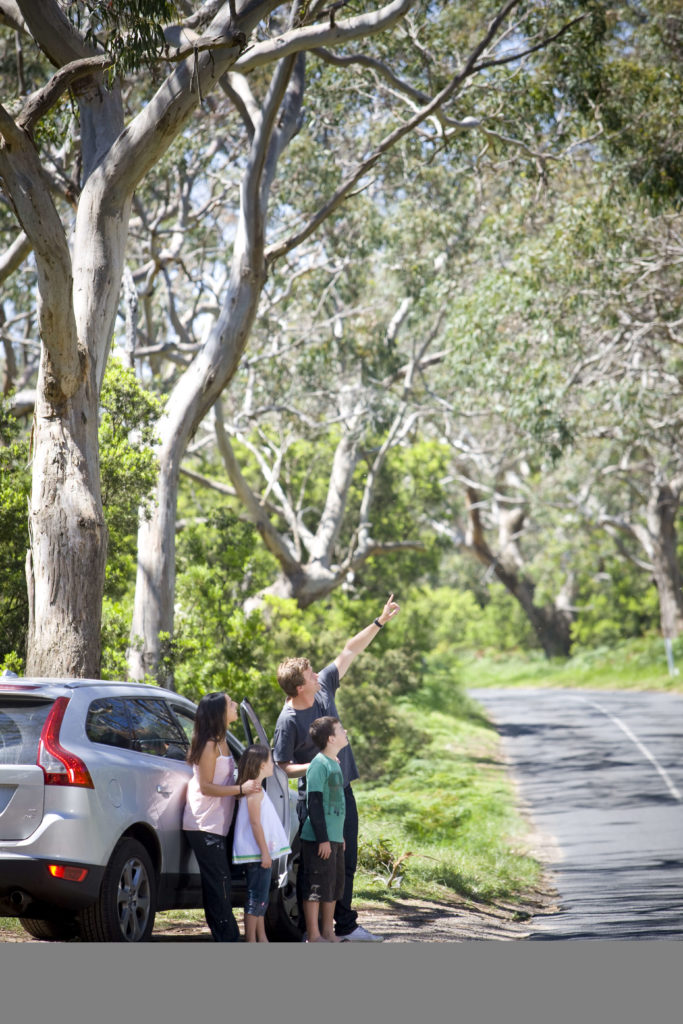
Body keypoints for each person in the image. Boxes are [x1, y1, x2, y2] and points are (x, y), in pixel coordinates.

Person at [272, 592, 400, 941]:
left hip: (343, 793)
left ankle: (343, 926)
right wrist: (317, 766)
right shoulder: (288, 720)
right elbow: (281, 766)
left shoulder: (324, 688)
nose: (317, 674)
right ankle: (311, 932)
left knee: (346, 860)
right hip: (314, 799)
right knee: (316, 866)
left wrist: (380, 621)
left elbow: (349, 650)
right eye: (310, 674)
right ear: (300, 687)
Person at [182, 691, 261, 942]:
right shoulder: (209, 745)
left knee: (221, 881)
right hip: (203, 824)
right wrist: (241, 789)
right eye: (230, 703)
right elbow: (206, 787)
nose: (235, 705)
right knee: (220, 883)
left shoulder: (223, 741)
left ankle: (225, 936)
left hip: (218, 825)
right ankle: (227, 938)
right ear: (219, 713)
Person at [232, 743, 292, 943]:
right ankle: (251, 939)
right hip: (257, 854)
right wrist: (265, 852)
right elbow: (255, 823)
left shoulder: (257, 789)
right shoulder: (254, 791)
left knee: (261, 898)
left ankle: (261, 936)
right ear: (260, 765)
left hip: (260, 854)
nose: (273, 764)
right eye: (270, 761)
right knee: (255, 898)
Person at [300, 716, 349, 942]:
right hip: (319, 840)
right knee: (316, 887)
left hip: (334, 839)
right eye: (341, 730)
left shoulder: (334, 763)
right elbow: (315, 803)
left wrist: (338, 838)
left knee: (333, 887)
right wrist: (323, 839)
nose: (345, 731)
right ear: (331, 738)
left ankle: (329, 932)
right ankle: (314, 934)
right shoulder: (319, 764)